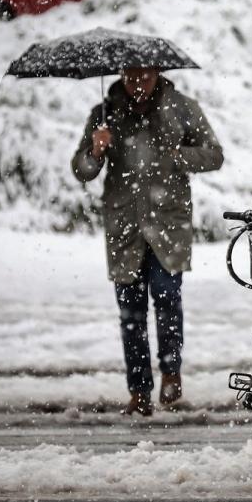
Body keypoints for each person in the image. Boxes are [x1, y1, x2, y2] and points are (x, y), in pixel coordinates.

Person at [71, 67, 224, 416]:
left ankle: (171, 371)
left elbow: (214, 154)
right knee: (131, 313)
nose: (137, 85)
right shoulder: (105, 113)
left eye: (145, 77)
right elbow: (81, 169)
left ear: (158, 74)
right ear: (122, 76)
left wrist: (178, 154)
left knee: (168, 297)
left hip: (168, 225)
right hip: (124, 227)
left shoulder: (182, 108)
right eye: (130, 77)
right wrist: (95, 151)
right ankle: (138, 391)